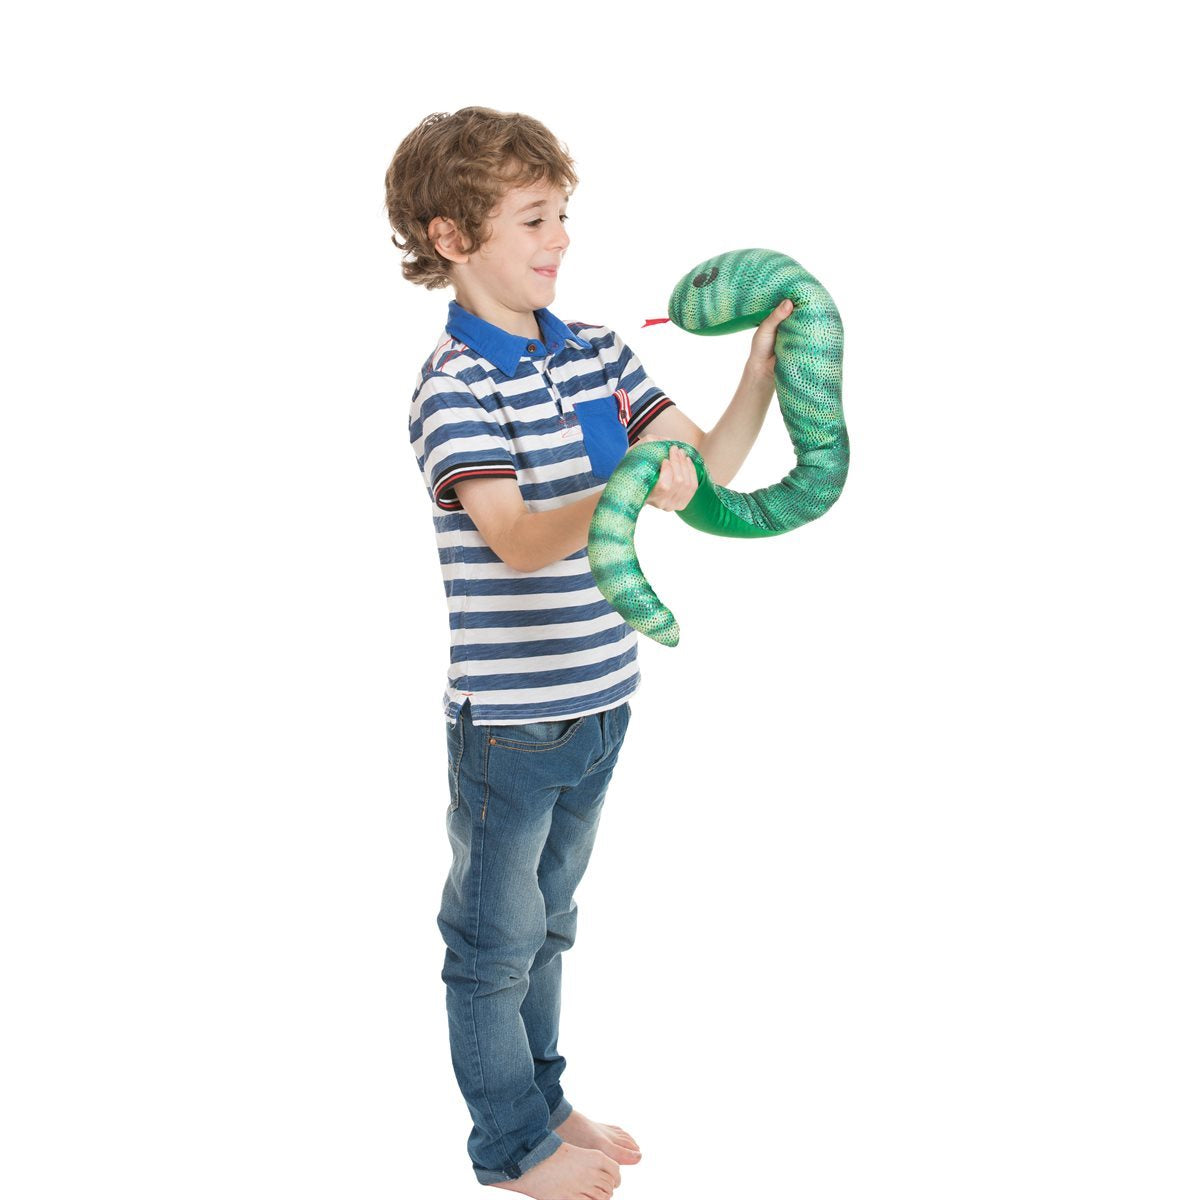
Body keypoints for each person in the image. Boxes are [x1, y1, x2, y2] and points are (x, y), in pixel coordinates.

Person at [384, 106, 790, 1198]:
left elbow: (699, 471)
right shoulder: (455, 387)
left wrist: (758, 375)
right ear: (454, 238)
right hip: (510, 725)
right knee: (492, 940)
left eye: (563, 214)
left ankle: (545, 1102)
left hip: (604, 697)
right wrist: (623, 484)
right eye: (532, 220)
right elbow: (514, 536)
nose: (560, 239)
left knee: (552, 924)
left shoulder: (602, 352)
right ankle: (509, 1146)